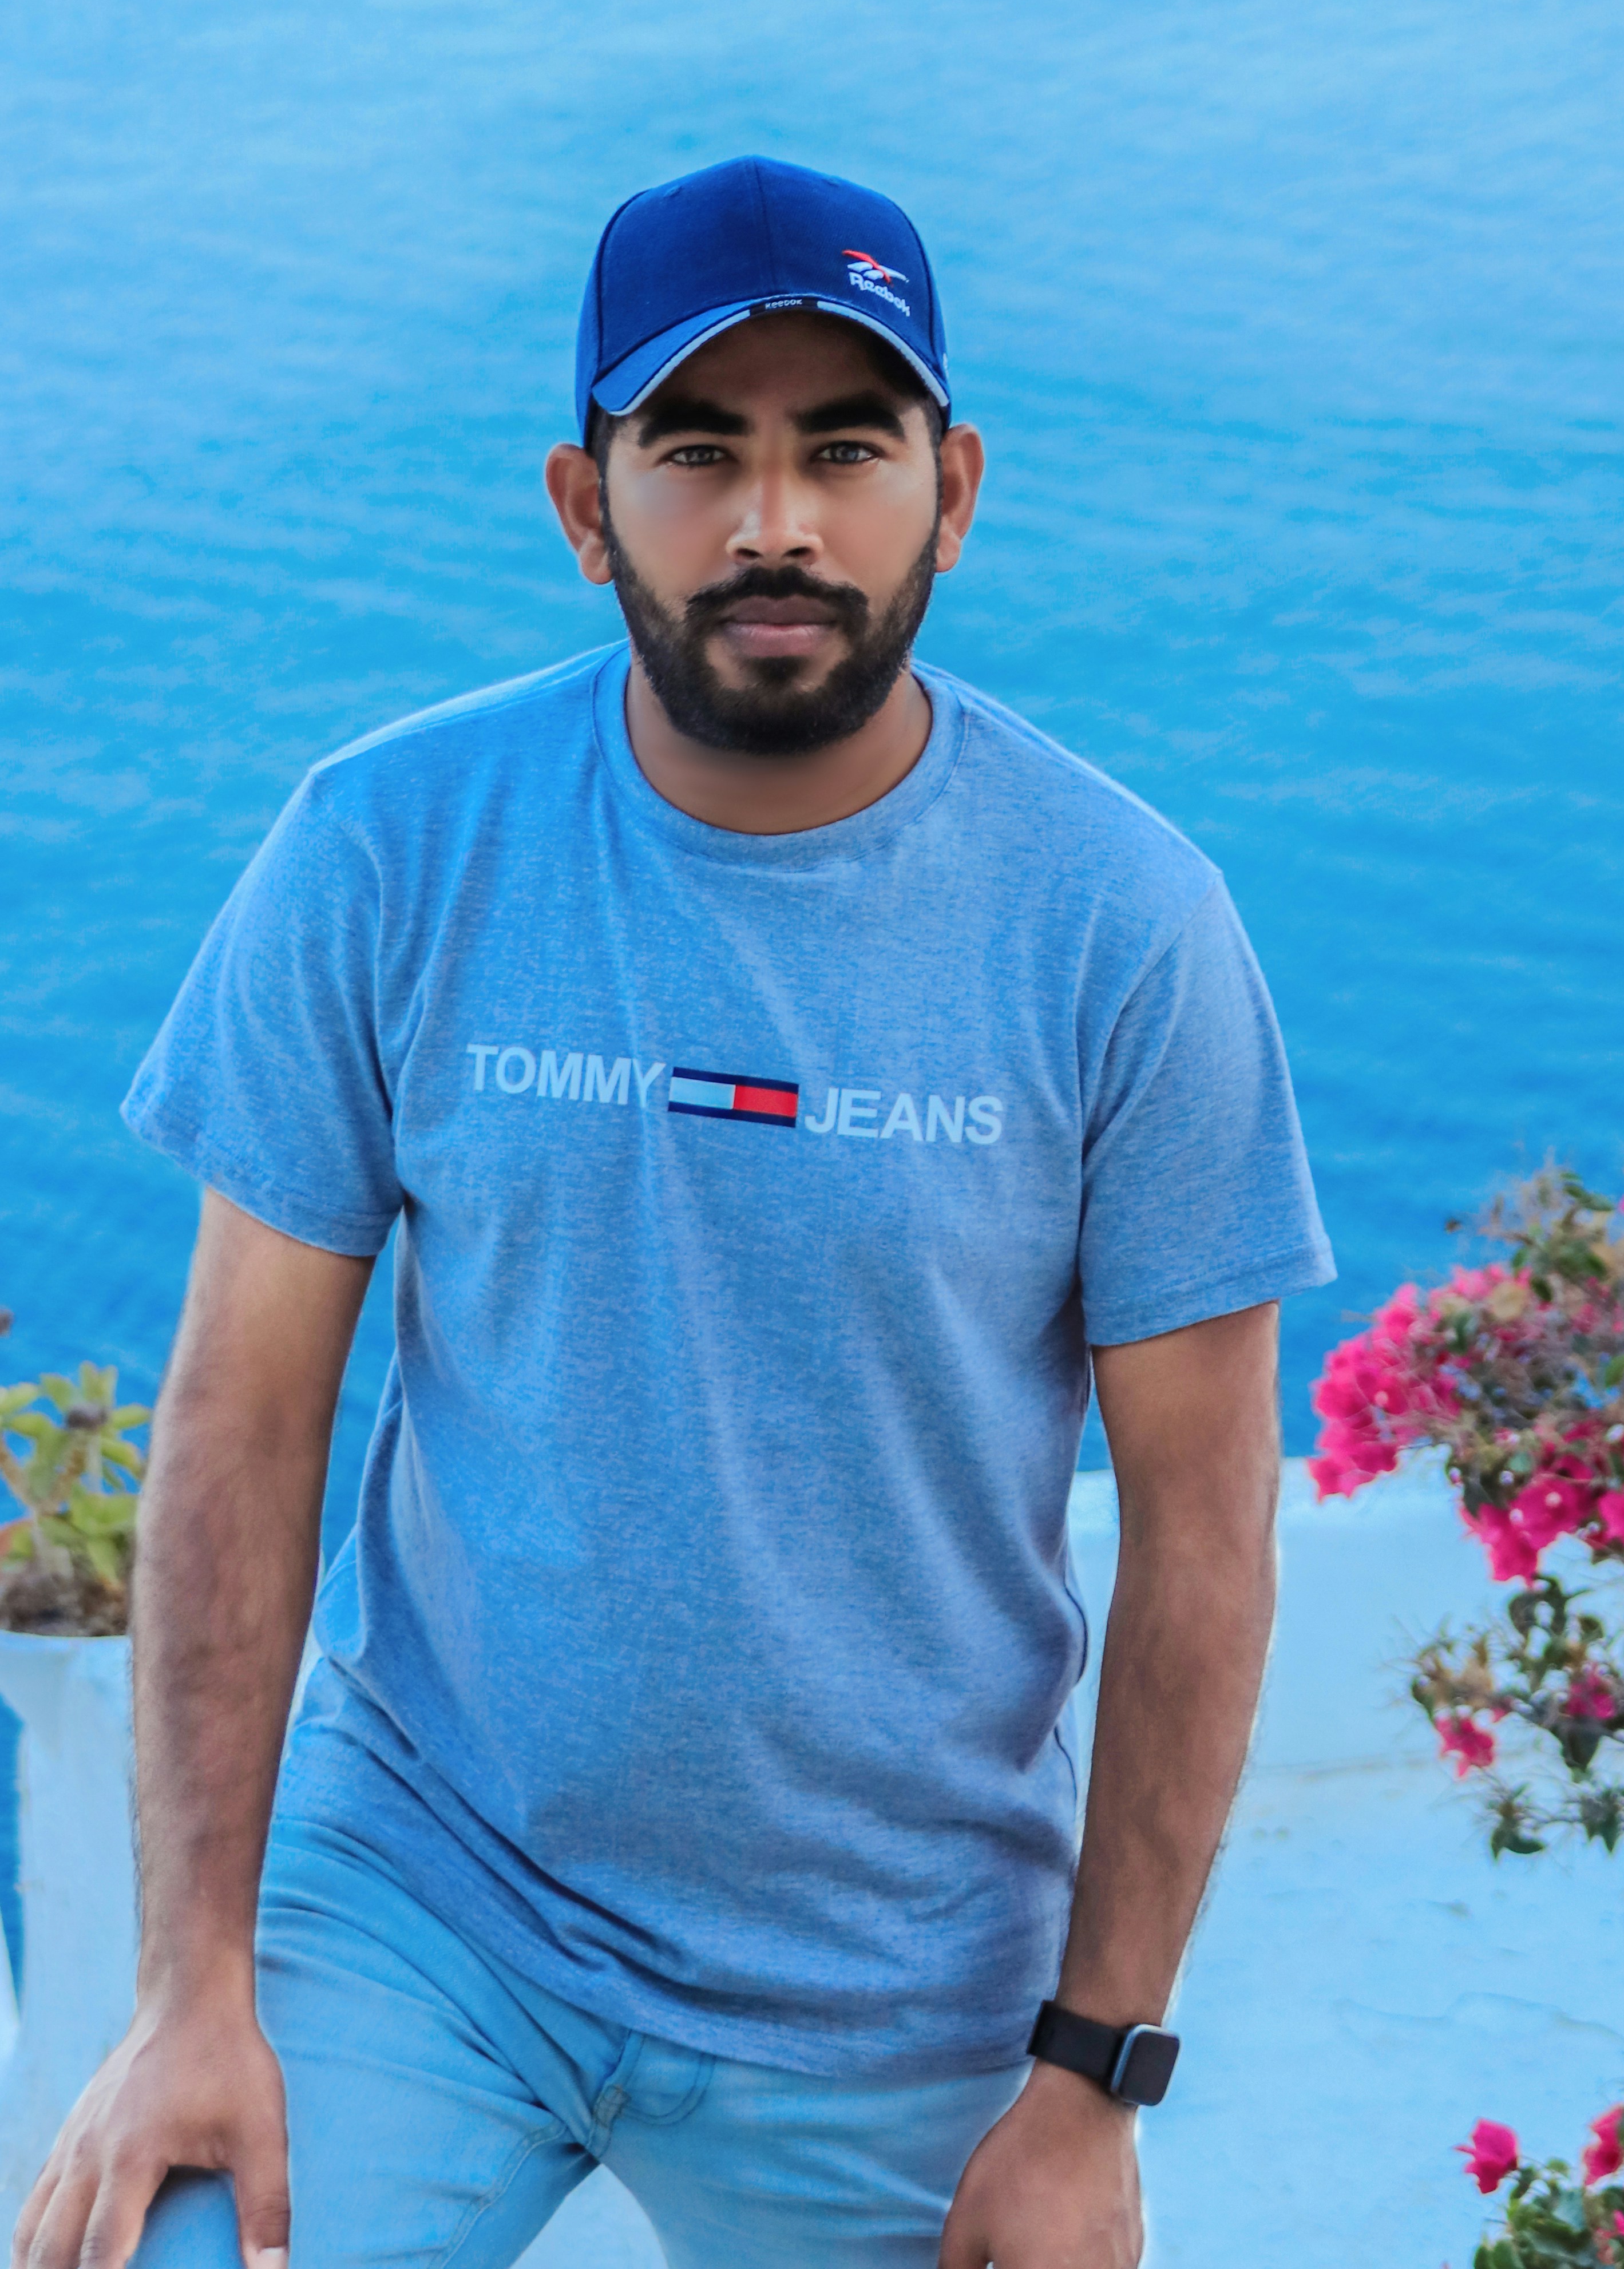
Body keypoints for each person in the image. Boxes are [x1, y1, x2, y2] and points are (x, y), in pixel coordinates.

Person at [17, 156, 1334, 2269]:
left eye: (846, 449)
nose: (776, 524)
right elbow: (240, 1426)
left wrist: (1091, 2083)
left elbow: (1207, 1529)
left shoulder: (1128, 933)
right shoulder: (384, 848)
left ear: (955, 487)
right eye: (698, 452)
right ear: (582, 502)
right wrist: (191, 1991)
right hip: (431, 1894)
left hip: (898, 1984)